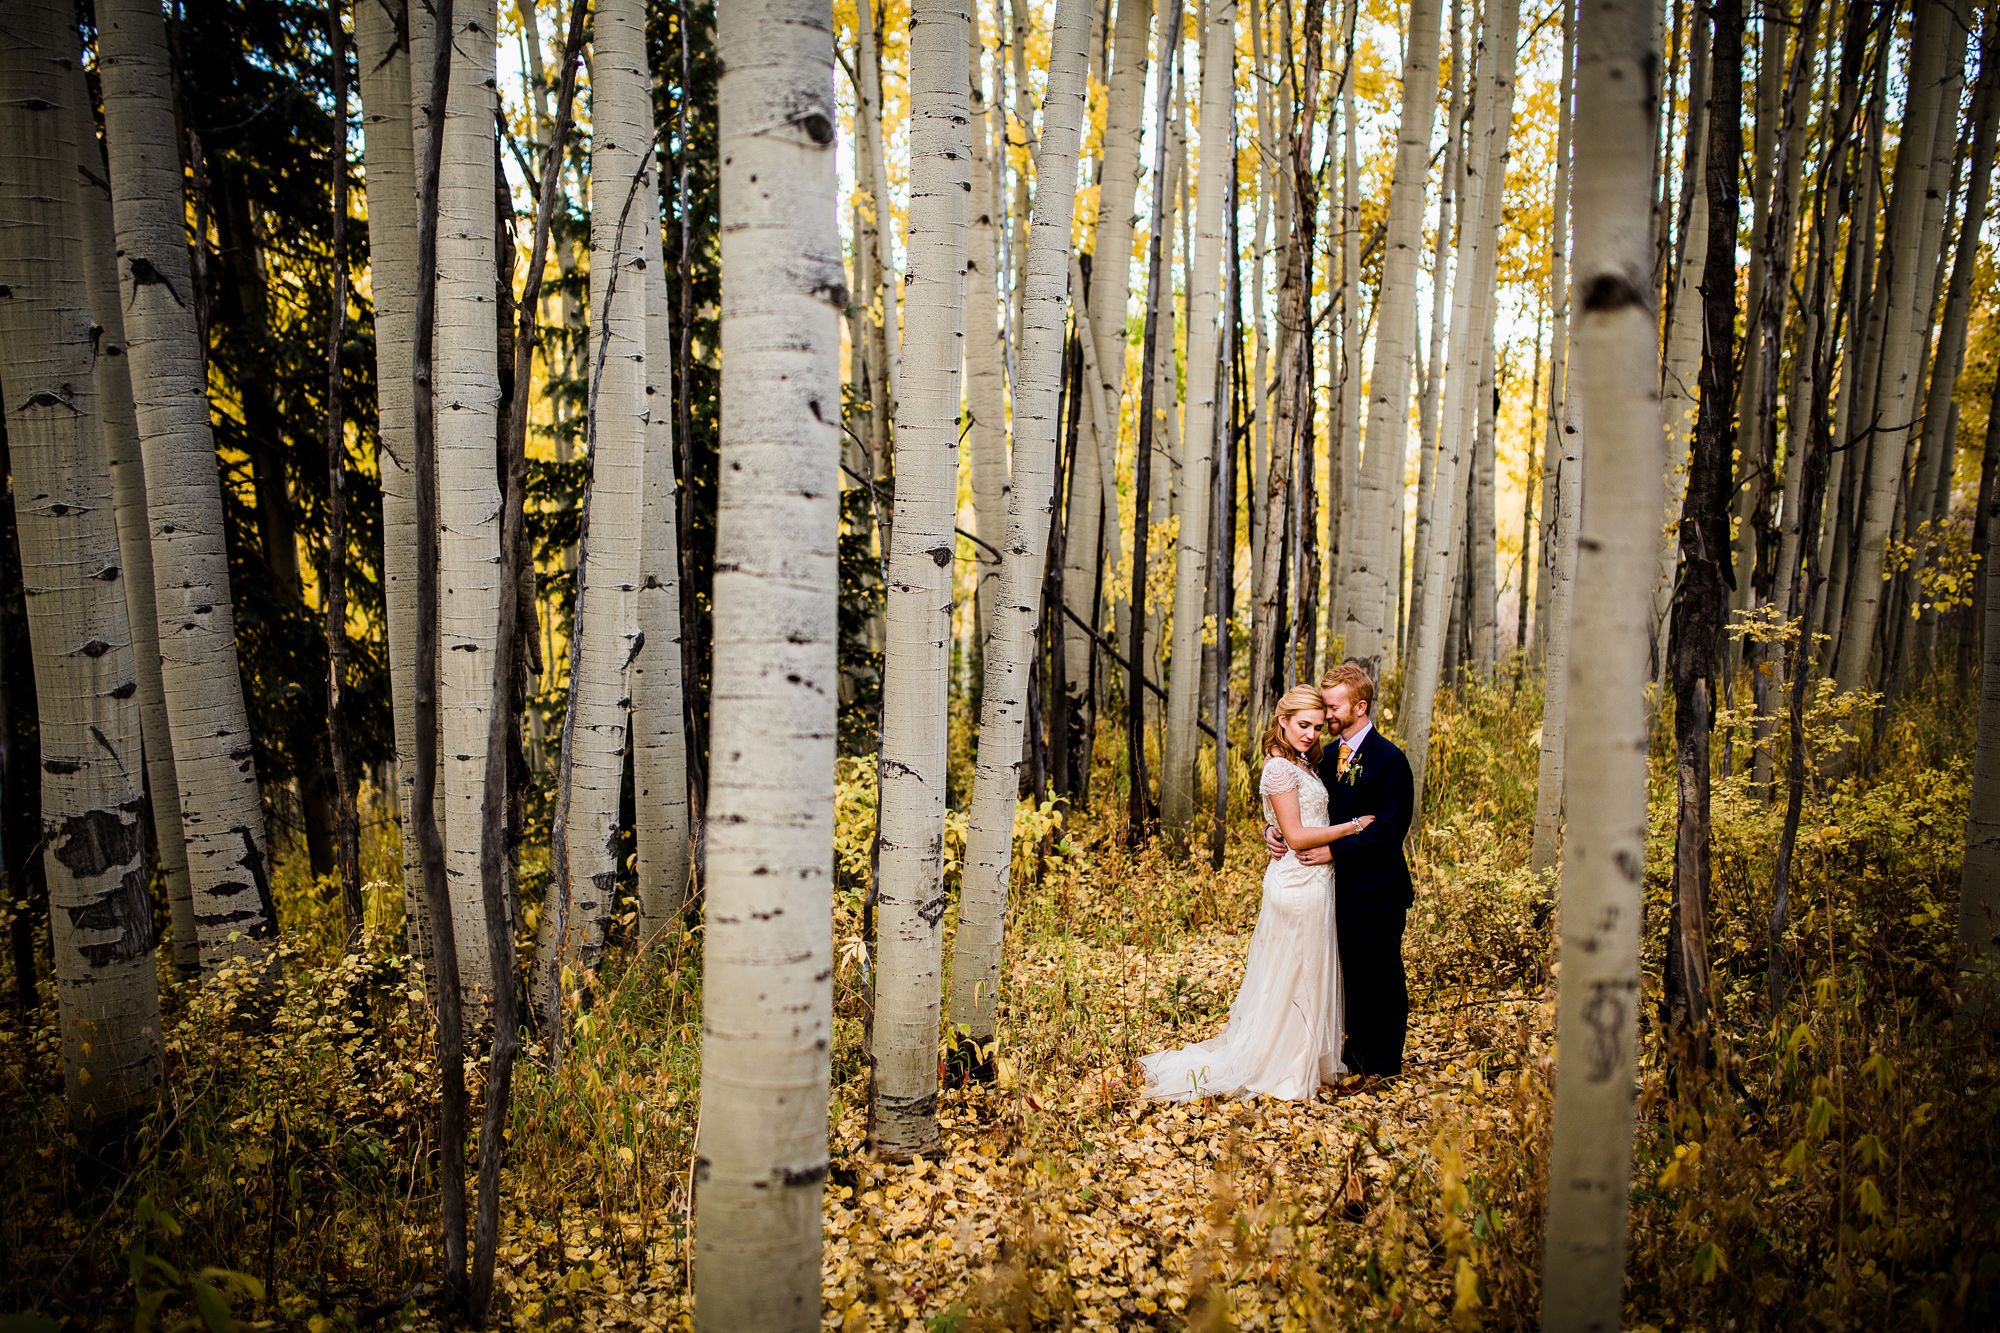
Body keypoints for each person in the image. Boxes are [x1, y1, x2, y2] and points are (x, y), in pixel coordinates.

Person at [1138, 685, 1376, 1102]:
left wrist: (1274, 829)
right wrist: (1354, 826)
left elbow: (1289, 822)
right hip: (1296, 883)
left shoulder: (1301, 761)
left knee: (1302, 974)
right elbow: (1298, 836)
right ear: (1282, 721)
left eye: (1318, 727)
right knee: (1292, 974)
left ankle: (1300, 1061)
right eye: (1303, 725)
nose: (1311, 734)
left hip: (1315, 882)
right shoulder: (1278, 768)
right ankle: (1282, 1069)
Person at [1264, 662, 1415, 1083]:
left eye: (1333, 708)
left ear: (1360, 706)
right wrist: (1272, 830)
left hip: (1377, 890)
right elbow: (1296, 807)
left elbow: (1388, 830)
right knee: (1348, 979)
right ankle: (1354, 1057)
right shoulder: (1325, 757)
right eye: (1324, 708)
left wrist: (1333, 849)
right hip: (1332, 892)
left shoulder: (1390, 760)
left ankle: (1383, 1065)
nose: (1326, 717)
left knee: (1380, 978)